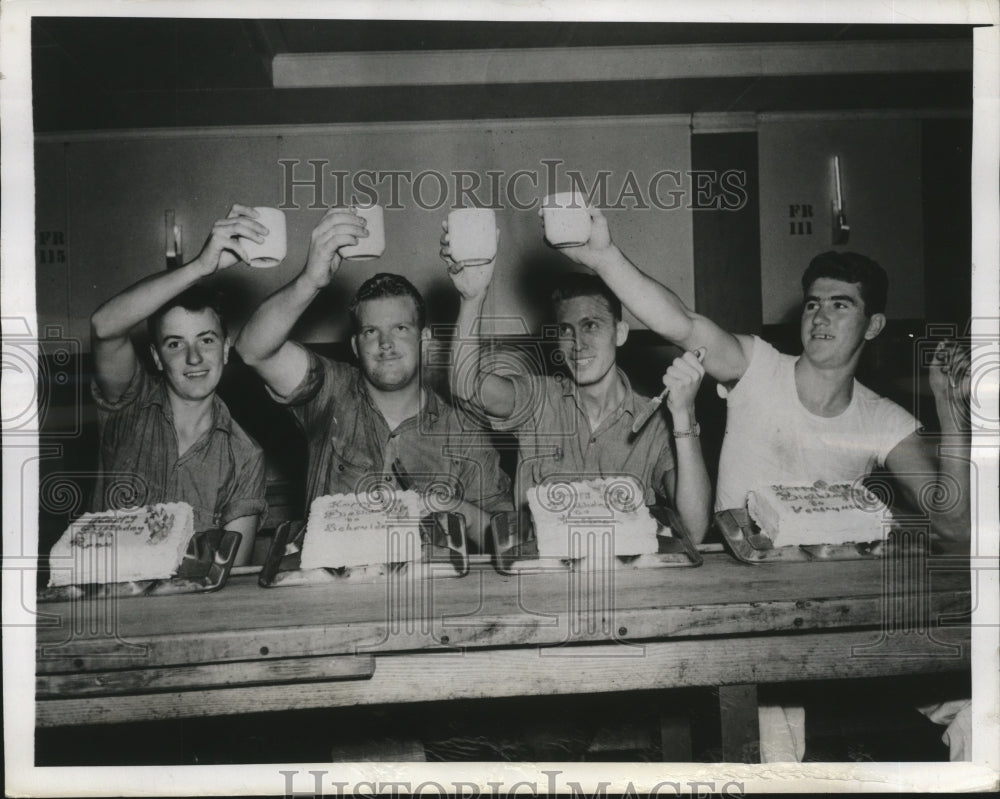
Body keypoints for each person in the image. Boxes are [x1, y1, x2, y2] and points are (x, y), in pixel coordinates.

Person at [553, 206, 972, 761]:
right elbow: (680, 322)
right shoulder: (758, 367)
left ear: (873, 326)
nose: (820, 317)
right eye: (814, 304)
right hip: (740, 606)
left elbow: (953, 526)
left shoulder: (883, 419)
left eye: (840, 305)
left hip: (835, 609)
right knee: (769, 739)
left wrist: (950, 408)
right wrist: (604, 256)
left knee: (974, 704)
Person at [234, 207, 512, 551]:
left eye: (400, 328)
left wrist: (453, 507)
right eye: (370, 332)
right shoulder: (330, 391)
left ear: (424, 341)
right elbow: (252, 350)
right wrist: (311, 280)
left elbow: (507, 538)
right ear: (355, 345)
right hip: (335, 593)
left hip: (425, 598)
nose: (385, 344)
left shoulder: (462, 432)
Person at [443, 224, 712, 544]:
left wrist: (685, 413)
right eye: (566, 330)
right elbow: (465, 385)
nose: (577, 343)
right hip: (543, 583)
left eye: (591, 326)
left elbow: (693, 532)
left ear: (621, 333)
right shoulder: (539, 399)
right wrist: (473, 297)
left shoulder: (654, 422)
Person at [89, 205, 269, 565]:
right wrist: (201, 267)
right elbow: (103, 326)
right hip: (111, 611)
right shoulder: (129, 404)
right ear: (156, 357)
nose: (194, 358)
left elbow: (227, 574)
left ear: (226, 348)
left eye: (206, 340)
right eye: (175, 344)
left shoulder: (245, 457)